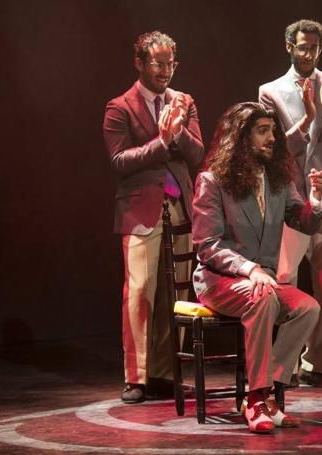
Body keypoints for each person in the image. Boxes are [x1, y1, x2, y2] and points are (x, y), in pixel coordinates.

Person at [191, 102, 322, 433]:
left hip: (262, 282)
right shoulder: (212, 181)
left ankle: (269, 391)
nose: (272, 138)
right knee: (263, 298)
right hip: (219, 281)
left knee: (308, 308)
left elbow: (306, 222)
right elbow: (207, 245)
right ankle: (256, 399)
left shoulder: (278, 181)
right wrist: (250, 269)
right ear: (241, 138)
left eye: (273, 131)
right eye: (262, 131)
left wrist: (317, 197)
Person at [103, 31, 204, 403]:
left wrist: (177, 135)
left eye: (171, 63)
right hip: (140, 208)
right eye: (158, 63)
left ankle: (165, 372)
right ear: (140, 63)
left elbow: (196, 155)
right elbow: (119, 161)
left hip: (180, 204)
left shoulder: (184, 101)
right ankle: (138, 376)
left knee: (175, 292)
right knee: (140, 291)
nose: (166, 71)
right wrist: (160, 144)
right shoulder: (120, 107)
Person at [258, 19, 322, 388]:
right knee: (286, 277)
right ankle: (286, 367)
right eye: (302, 47)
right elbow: (275, 146)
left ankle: (319, 364)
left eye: (314, 47)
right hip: (293, 195)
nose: (308, 53)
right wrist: (310, 116)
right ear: (289, 46)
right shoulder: (270, 90)